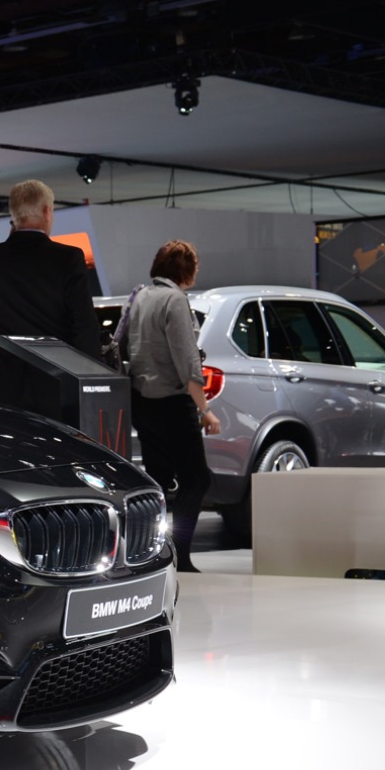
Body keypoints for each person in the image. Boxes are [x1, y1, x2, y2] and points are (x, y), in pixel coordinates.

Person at [126, 239, 221, 572]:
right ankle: (179, 555)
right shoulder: (175, 300)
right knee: (197, 479)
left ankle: (147, 554)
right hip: (172, 403)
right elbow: (187, 361)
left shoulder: (139, 296)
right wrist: (205, 410)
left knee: (158, 480)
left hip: (142, 401)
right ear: (187, 269)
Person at [0, 179, 99, 402]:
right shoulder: (68, 258)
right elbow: (84, 326)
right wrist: (92, 381)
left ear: (13, 213)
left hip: (3, 380)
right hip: (55, 382)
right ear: (47, 211)